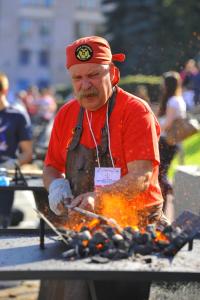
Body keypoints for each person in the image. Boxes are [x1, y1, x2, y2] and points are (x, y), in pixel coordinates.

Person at [41, 36, 168, 300]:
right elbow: (51, 167)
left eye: (94, 75)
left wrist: (96, 198)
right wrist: (56, 186)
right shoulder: (66, 115)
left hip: (135, 230)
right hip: (84, 229)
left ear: (112, 72)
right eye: (77, 78)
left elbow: (141, 178)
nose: (85, 85)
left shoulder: (135, 112)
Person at [0, 73, 32, 228]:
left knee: (2, 224)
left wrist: (13, 163)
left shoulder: (17, 116)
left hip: (5, 177)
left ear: (4, 91)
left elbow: (27, 152)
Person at [157, 71, 186, 223]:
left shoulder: (172, 101)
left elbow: (167, 124)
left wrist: (154, 123)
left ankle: (162, 210)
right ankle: (162, 207)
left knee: (160, 175)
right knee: (163, 174)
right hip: (174, 143)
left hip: (165, 142)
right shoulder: (179, 100)